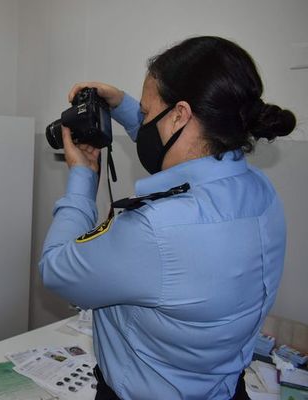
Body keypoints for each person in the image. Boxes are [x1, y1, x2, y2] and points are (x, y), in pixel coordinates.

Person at [39, 36, 296, 400]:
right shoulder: (261, 192)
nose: (142, 122)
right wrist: (124, 105)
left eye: (145, 113)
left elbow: (56, 268)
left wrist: (83, 175)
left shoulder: (156, 228)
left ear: (180, 114)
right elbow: (176, 147)